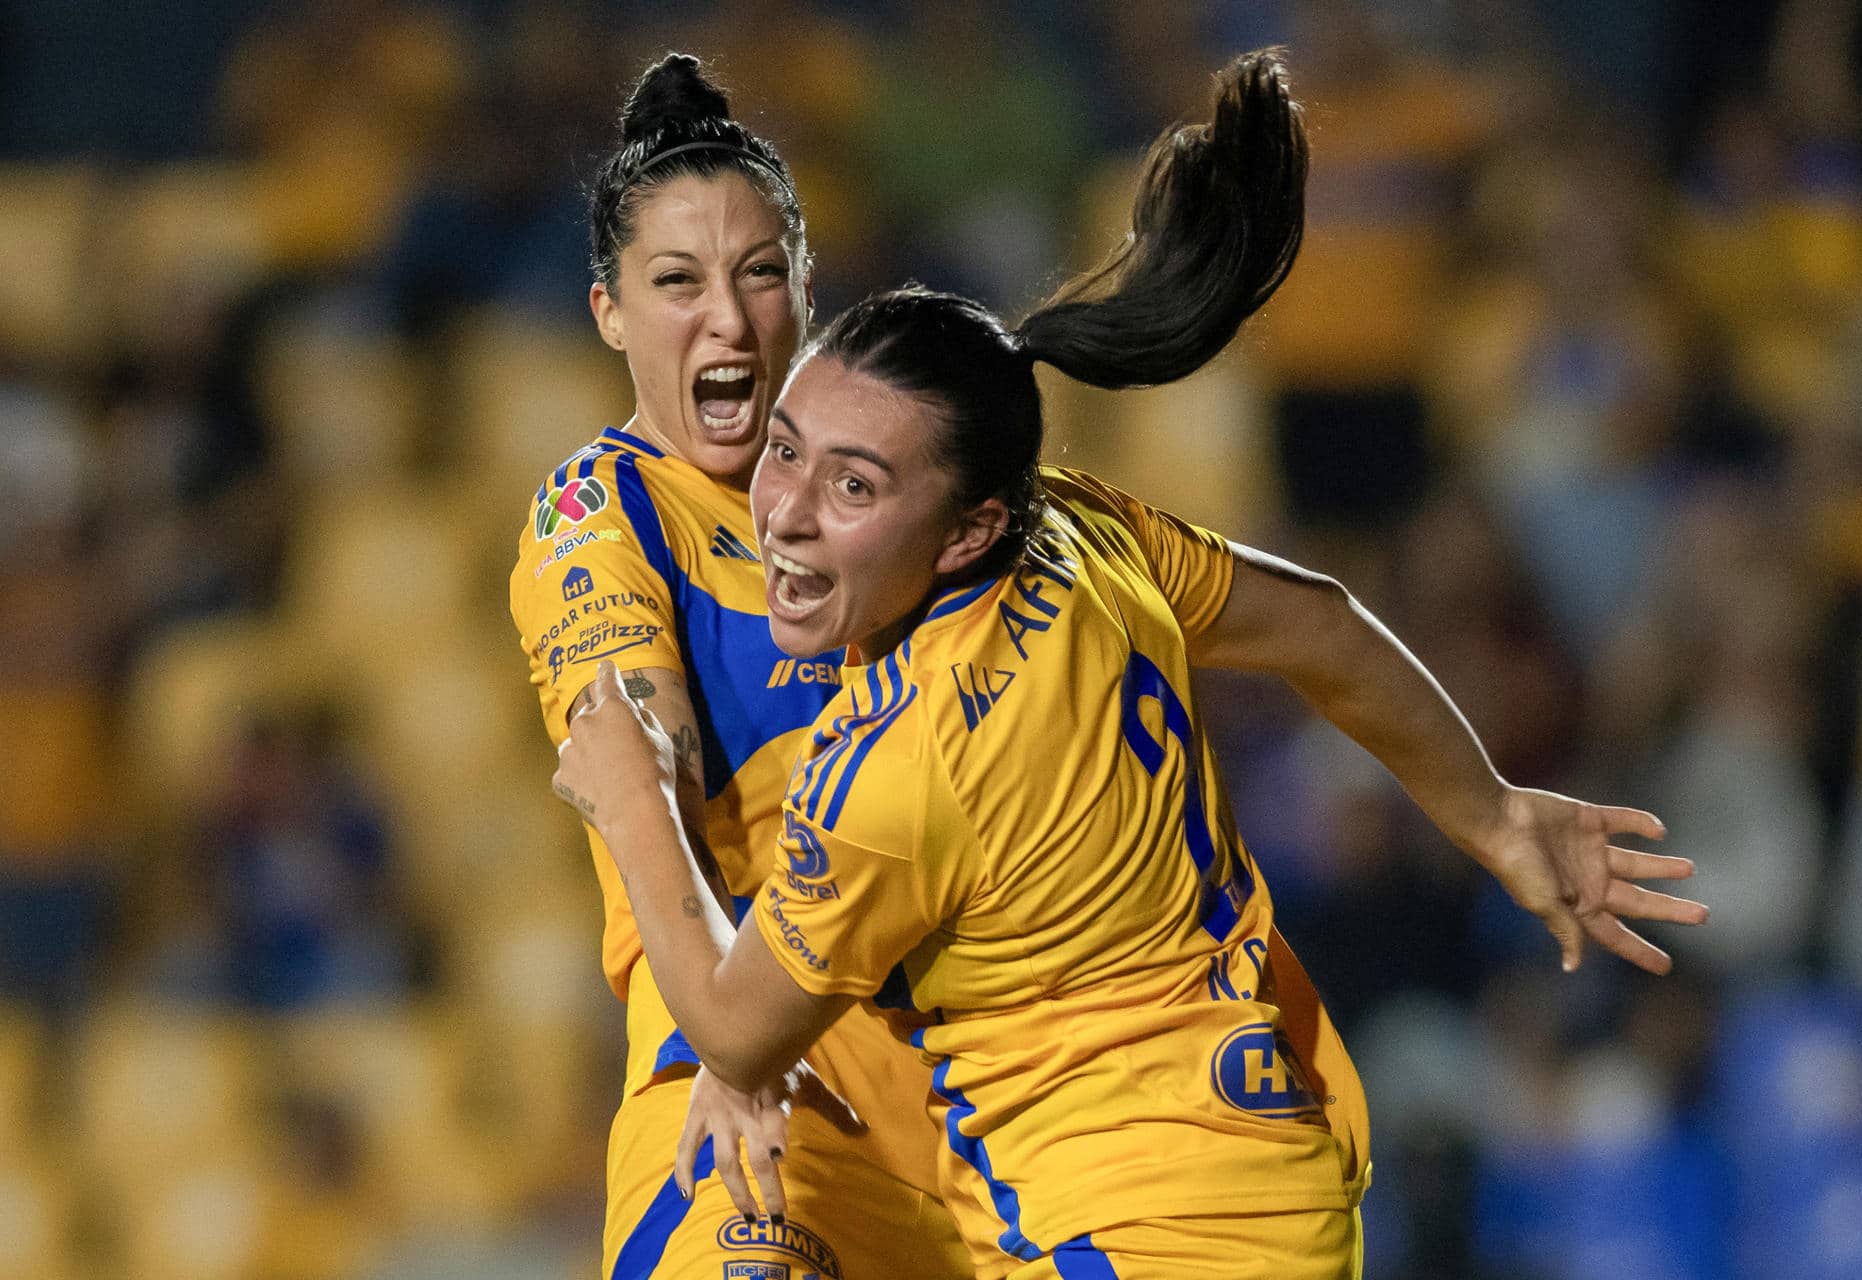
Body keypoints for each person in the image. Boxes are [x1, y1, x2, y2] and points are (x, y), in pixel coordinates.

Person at [551, 46, 1709, 1279]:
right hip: (1281, 1185)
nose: (778, 510)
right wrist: (1492, 811)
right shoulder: (1086, 537)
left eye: (853, 485)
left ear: (968, 530)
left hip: (1123, 1234)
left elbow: (732, 1024)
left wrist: (628, 799)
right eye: (789, 452)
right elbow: (1319, 624)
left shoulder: (900, 764)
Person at [507, 53, 971, 1279]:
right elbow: (637, 758)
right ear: (607, 310)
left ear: (809, 290)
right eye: (676, 283)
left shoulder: (897, 487)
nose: (727, 316)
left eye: (761, 273)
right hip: (756, 1099)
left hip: (984, 1106)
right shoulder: (599, 516)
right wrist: (735, 1038)